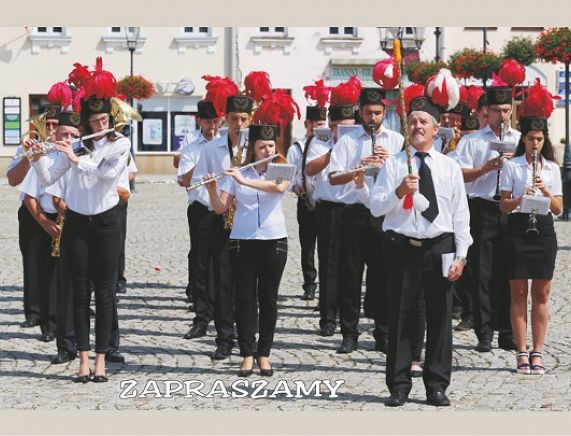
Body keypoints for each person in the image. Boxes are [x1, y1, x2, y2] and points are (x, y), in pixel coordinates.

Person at [368, 96, 472, 407]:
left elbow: (460, 213)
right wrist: (399, 191)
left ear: (436, 128)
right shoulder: (394, 164)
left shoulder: (449, 166)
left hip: (438, 244)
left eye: (423, 121)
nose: (417, 126)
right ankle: (399, 384)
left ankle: (436, 385)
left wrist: (461, 254)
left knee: (440, 316)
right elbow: (376, 207)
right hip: (402, 246)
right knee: (400, 315)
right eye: (412, 121)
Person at [29, 69, 130, 383]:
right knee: (79, 292)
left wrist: (75, 159)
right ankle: (83, 361)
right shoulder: (77, 145)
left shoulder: (119, 144)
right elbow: (48, 179)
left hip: (107, 223)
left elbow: (106, 175)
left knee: (105, 293)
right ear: (86, 122)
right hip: (77, 224)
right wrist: (36, 158)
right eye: (94, 121)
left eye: (103, 121)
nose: (99, 126)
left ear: (110, 121)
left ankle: (101, 360)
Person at [205, 123, 289, 377]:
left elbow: (278, 188)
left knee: (268, 299)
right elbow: (221, 208)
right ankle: (247, 354)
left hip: (274, 240)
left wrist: (243, 180)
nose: (267, 150)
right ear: (253, 148)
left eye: (271, 146)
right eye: (262, 146)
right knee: (244, 299)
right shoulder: (239, 172)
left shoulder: (282, 168)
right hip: (242, 240)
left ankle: (264, 354)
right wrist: (211, 188)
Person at [329, 86, 403, 354]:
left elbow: (405, 176)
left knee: (382, 275)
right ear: (359, 113)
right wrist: (357, 168)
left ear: (385, 113)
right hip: (354, 213)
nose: (372, 118)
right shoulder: (347, 142)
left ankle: (383, 333)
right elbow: (332, 177)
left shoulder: (396, 140)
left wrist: (388, 165)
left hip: (383, 212)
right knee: (350, 275)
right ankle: (349, 332)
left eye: (377, 113)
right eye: (368, 113)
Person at [186, 90, 252, 362]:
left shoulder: (257, 144)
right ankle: (225, 338)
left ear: (249, 119)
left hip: (249, 220)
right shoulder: (213, 147)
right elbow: (201, 180)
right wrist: (216, 198)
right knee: (223, 281)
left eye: (244, 119)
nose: (238, 124)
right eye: (234, 119)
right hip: (221, 219)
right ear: (227, 118)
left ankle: (248, 337)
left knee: (247, 284)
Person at [499, 93, 562, 375]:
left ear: (543, 140)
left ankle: (538, 351)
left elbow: (559, 208)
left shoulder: (552, 168)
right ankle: (521, 351)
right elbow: (503, 205)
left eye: (539, 139)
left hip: (543, 231)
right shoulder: (512, 166)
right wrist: (521, 197)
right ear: (523, 139)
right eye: (530, 138)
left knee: (542, 292)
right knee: (518, 291)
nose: (534, 143)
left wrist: (546, 191)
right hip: (518, 229)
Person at [457, 86, 520, 352]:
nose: (502, 116)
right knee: (481, 272)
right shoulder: (472, 141)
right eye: (496, 111)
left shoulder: (519, 140)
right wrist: (485, 169)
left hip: (510, 209)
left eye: (506, 110)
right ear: (487, 112)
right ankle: (484, 332)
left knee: (508, 273)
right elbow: (458, 174)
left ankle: (507, 332)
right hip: (482, 209)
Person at [304, 77, 359, 338]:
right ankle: (327, 317)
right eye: (339, 127)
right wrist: (334, 150)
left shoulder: (360, 142)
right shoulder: (321, 141)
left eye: (348, 127)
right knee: (328, 263)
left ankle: (349, 315)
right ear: (332, 126)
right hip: (328, 208)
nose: (343, 131)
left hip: (353, 208)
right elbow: (310, 168)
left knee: (351, 266)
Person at [8, 105, 60, 329]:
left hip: (58, 210)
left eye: (54, 125)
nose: (49, 128)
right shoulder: (26, 148)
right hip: (30, 212)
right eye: (46, 124)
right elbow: (12, 179)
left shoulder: (64, 148)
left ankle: (56, 312)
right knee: (32, 261)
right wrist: (29, 157)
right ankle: (34, 312)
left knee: (58, 264)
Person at [177, 101, 223, 306]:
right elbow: (185, 181)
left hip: (223, 206)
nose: (212, 126)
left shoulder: (227, 144)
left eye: (215, 121)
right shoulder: (191, 147)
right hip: (200, 207)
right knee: (200, 257)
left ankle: (219, 300)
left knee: (221, 258)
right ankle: (200, 302)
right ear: (199, 121)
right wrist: (205, 157)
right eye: (208, 122)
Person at [286, 104, 326, 300]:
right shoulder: (297, 148)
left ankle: (327, 284)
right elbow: (290, 176)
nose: (319, 127)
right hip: (305, 201)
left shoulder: (329, 145)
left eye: (322, 123)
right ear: (307, 124)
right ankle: (309, 283)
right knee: (308, 245)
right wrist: (295, 187)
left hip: (325, 202)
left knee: (327, 246)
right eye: (316, 124)